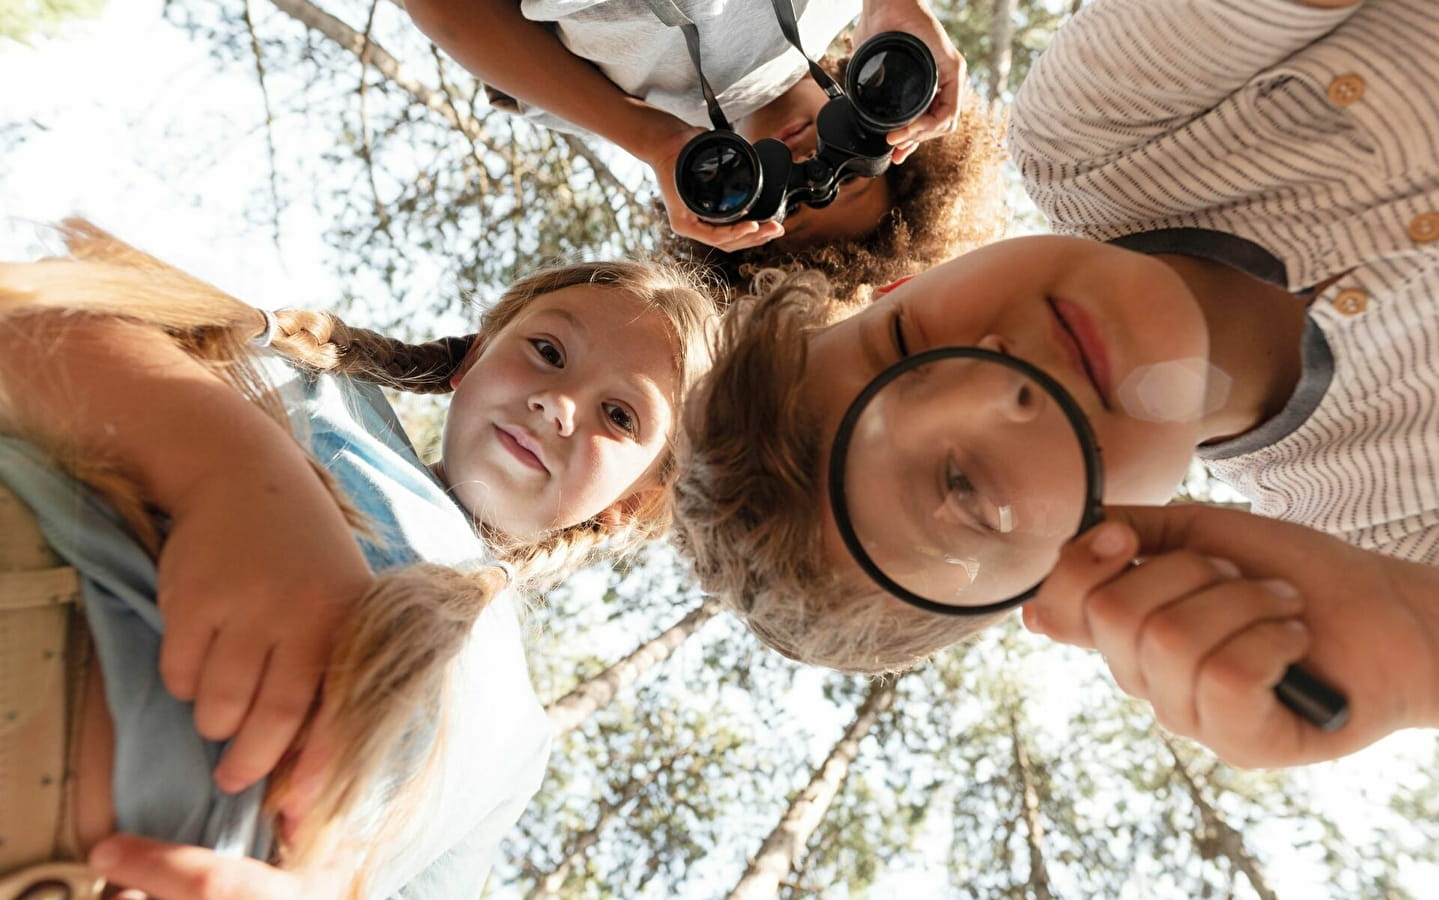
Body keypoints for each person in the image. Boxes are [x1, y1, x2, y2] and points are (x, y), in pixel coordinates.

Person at [670, 0, 1439, 770]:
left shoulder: (1094, 133)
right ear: (1066, 569)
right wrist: (1416, 637)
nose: (1000, 385)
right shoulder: (1388, 545)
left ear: (899, 286)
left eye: (904, 342)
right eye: (966, 487)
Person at [0, 220, 714, 898]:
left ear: (634, 503)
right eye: (548, 352)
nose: (558, 405)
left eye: (619, 417)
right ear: (471, 360)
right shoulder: (315, 390)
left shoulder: (519, 743)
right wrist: (230, 471)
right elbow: (26, 319)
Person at [403, 0, 1007, 305]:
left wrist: (654, 141)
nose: (803, 162)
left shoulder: (609, 110)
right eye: (846, 177)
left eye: (789, 205)